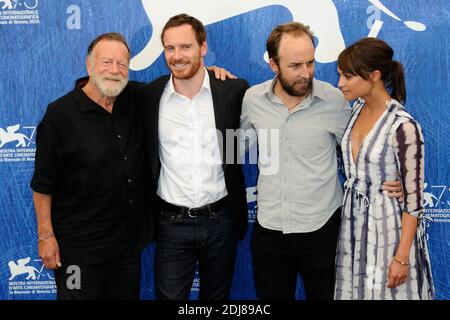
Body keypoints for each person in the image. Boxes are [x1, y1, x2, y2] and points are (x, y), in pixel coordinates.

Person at [240, 22, 403, 300]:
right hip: (269, 233)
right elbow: (236, 148)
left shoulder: (335, 99)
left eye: (311, 62)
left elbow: (359, 152)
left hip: (323, 231)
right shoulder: (252, 99)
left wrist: (391, 180)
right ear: (273, 65)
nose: (306, 73)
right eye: (295, 66)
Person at [30, 33, 155, 299]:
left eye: (122, 64)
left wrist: (210, 73)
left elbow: (177, 85)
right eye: (106, 62)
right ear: (88, 65)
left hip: (126, 247)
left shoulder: (135, 97)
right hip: (78, 249)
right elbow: (42, 183)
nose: (114, 70)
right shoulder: (60, 115)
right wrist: (45, 237)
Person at [138, 14, 249, 300]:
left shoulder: (233, 90)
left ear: (202, 47)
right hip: (171, 223)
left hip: (221, 220)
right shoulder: (149, 96)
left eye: (185, 47)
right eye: (170, 48)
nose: (177, 56)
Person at [334, 37, 435, 300]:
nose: (340, 83)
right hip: (354, 228)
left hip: (388, 231)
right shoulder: (355, 110)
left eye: (347, 76)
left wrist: (401, 258)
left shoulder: (403, 125)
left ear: (374, 75)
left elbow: (413, 202)